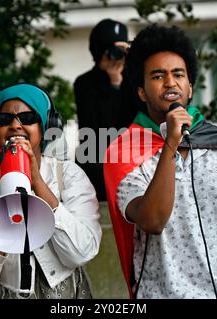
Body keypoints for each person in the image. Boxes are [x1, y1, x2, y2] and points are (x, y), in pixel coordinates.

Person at [103, 25, 217, 299]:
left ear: (190, 87)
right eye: (158, 76)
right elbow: (152, 220)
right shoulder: (125, 152)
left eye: (178, 74)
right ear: (141, 92)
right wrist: (170, 144)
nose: (170, 82)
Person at [0, 83, 102, 299]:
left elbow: (81, 253)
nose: (15, 125)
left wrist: (38, 183)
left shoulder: (69, 176)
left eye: (28, 118)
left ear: (46, 126)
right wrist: (1, 225)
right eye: (4, 120)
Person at [74, 18, 137, 201]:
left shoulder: (136, 80)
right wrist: (113, 84)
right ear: (99, 52)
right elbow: (94, 132)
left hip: (133, 153)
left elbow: (135, 124)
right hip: (99, 156)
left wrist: (119, 82)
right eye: (112, 50)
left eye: (121, 50)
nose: (117, 56)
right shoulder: (85, 84)